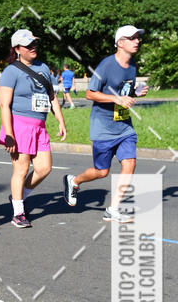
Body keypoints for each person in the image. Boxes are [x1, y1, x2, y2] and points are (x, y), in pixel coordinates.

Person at [63, 25, 148, 222]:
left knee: (130, 163)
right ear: (120, 43)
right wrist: (117, 99)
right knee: (101, 172)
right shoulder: (106, 65)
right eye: (132, 38)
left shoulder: (132, 65)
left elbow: (123, 92)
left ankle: (113, 209)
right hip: (103, 127)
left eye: (138, 37)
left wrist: (135, 93)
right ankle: (74, 181)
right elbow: (89, 93)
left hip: (124, 124)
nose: (137, 41)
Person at [0, 29, 67, 228]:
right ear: (17, 49)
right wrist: (9, 133)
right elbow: (4, 104)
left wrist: (60, 121)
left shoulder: (43, 67)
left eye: (34, 44)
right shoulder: (11, 71)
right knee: (21, 170)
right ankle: (18, 213)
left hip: (39, 126)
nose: (33, 47)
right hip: (19, 125)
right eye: (28, 45)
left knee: (44, 168)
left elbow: (52, 96)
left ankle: (19, 196)